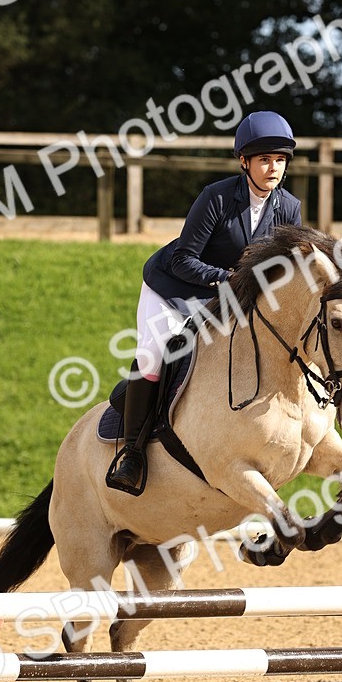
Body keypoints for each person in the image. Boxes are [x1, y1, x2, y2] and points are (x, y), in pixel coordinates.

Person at [106, 109, 303, 494]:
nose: (273, 169)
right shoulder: (216, 197)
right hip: (175, 286)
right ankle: (131, 453)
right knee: (153, 353)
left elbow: (281, 268)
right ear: (244, 162)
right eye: (264, 160)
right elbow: (183, 258)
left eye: (280, 160)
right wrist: (227, 279)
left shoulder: (288, 207)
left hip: (232, 295)